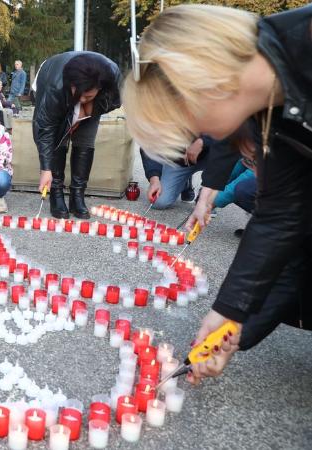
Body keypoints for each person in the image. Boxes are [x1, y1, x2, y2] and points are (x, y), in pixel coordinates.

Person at [121, 4, 312, 383]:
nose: (193, 134)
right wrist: (231, 314)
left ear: (199, 84)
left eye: (181, 121)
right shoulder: (266, 114)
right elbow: (281, 217)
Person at [32, 51, 121, 219]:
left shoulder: (112, 78)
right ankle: (56, 193)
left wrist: (83, 114)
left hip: (93, 98)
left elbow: (114, 102)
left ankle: (77, 195)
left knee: (85, 139)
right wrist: (45, 169)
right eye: (77, 93)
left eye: (87, 95)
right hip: (54, 88)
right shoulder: (55, 86)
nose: (81, 99)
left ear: (100, 88)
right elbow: (44, 128)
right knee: (59, 137)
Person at [140, 135, 238, 210]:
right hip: (180, 159)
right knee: (159, 201)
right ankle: (185, 184)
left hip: (211, 154)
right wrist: (154, 179)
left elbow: (228, 129)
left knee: (230, 159)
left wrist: (202, 140)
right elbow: (149, 143)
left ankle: (207, 196)